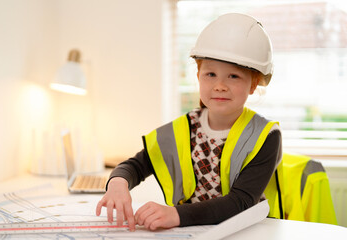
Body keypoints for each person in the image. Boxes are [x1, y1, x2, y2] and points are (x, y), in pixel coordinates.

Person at [96, 12, 282, 231]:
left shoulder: (265, 136)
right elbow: (135, 166)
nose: (219, 85)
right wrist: (118, 183)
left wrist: (175, 214)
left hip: (247, 232)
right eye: (210, 74)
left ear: (253, 84)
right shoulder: (183, 129)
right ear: (198, 77)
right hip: (193, 231)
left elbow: (240, 201)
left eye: (233, 76)